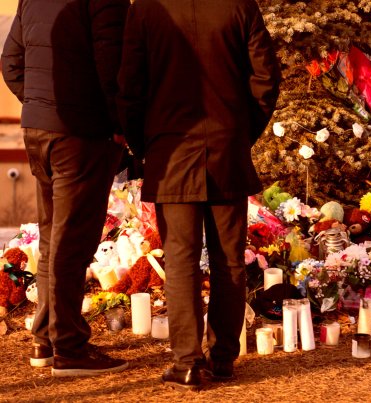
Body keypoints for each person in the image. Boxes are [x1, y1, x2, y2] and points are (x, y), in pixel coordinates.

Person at [117, 0, 281, 391]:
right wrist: (239, 133)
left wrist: (145, 145)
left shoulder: (145, 9)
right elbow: (266, 78)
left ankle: (187, 361)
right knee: (229, 259)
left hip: (170, 149)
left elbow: (129, 87)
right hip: (225, 146)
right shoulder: (239, 6)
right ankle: (222, 357)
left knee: (181, 262)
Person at [1, 0, 130, 376]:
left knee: (53, 237)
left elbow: (11, 62)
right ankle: (70, 347)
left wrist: (40, 104)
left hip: (38, 129)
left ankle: (45, 336)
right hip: (80, 132)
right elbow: (112, 68)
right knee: (71, 241)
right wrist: (119, 124)